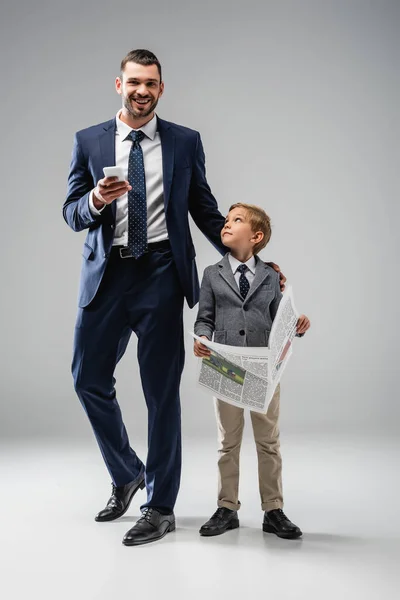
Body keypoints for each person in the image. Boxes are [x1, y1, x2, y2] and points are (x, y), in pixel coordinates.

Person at [63, 49, 286, 547]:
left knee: (161, 394)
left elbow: (207, 211)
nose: (142, 90)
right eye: (134, 82)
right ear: (118, 85)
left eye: (152, 83)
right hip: (106, 277)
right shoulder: (88, 141)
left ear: (161, 89)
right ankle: (126, 472)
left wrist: (256, 263)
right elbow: (72, 212)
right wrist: (97, 200)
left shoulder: (185, 142)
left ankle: (160, 506)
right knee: (87, 378)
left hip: (162, 275)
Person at [194, 203, 310, 539]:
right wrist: (202, 337)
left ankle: (273, 510)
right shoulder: (211, 274)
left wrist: (297, 325)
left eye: (237, 220)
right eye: (227, 220)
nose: (227, 224)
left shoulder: (272, 276)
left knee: (268, 442)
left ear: (256, 236)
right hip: (225, 366)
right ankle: (226, 508)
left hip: (264, 369)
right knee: (227, 443)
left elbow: (280, 321)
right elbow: (205, 317)